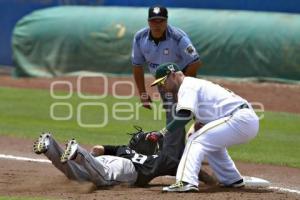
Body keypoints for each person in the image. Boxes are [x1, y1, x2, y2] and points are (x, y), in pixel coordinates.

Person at [145, 62, 259, 192]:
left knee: (196, 140)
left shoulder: (187, 86)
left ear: (173, 75)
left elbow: (184, 116)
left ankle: (186, 181)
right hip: (242, 119)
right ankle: (231, 179)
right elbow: (205, 113)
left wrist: (162, 133)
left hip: (239, 119)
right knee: (207, 141)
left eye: (162, 82)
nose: (161, 86)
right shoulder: (192, 85)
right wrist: (197, 125)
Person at [132, 5, 202, 160]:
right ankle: (173, 156)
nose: (157, 24)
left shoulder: (178, 37)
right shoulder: (139, 38)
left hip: (183, 79)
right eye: (154, 21)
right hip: (163, 83)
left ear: (166, 21)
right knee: (174, 116)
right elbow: (137, 66)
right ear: (148, 22)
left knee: (199, 115)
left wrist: (182, 86)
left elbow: (195, 62)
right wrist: (143, 93)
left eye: (161, 21)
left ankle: (193, 151)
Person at [32, 132, 179, 187]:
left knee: (77, 175)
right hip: (127, 169)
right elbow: (179, 168)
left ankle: (50, 145)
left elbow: (97, 149)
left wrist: (94, 159)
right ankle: (79, 153)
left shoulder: (122, 149)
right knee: (103, 179)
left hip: (103, 160)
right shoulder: (156, 159)